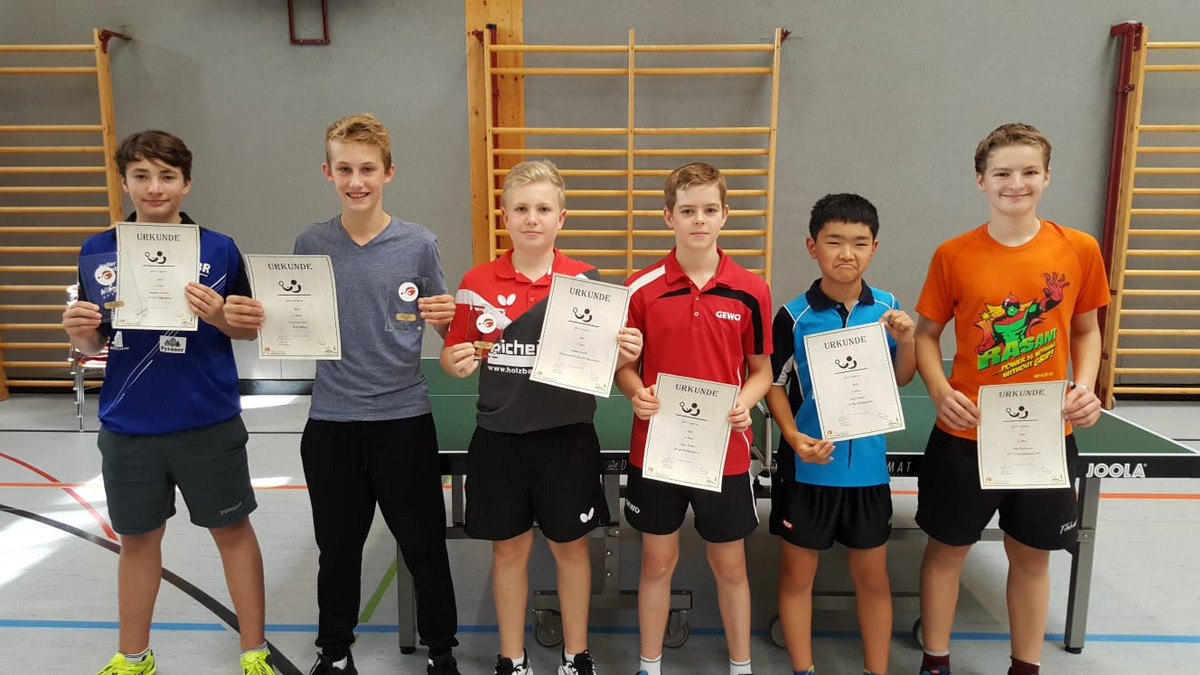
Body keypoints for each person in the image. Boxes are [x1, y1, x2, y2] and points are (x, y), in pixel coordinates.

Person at [224, 113, 460, 675]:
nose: (357, 181)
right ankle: (334, 652)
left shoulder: (419, 243)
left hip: (404, 418)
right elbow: (294, 316)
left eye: (368, 170)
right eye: (346, 169)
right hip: (332, 422)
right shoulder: (311, 242)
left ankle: (441, 652)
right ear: (328, 172)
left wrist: (449, 318)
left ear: (388, 173)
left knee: (424, 546)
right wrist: (261, 318)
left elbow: (447, 325)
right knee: (337, 549)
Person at [62, 130, 275, 675]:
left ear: (186, 183)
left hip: (207, 419)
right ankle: (133, 656)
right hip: (129, 425)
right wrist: (80, 334)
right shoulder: (97, 250)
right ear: (124, 181)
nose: (154, 187)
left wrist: (220, 315)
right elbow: (95, 340)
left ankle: (254, 651)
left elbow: (246, 329)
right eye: (141, 175)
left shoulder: (219, 248)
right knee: (136, 541)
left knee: (232, 533)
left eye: (166, 176)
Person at [912, 123, 1109, 675]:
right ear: (981, 180)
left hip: (1044, 437)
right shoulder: (953, 254)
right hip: (965, 435)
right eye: (1002, 173)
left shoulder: (1079, 249)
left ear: (1047, 177)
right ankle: (935, 662)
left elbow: (1086, 330)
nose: (1015, 183)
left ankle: (1025, 666)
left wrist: (1085, 385)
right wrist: (939, 390)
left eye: (1028, 172)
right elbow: (926, 336)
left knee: (1031, 556)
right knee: (946, 551)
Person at [441, 159, 642, 675]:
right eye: (522, 209)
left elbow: (608, 361)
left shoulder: (586, 282)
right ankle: (512, 659)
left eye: (544, 209)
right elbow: (455, 351)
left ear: (561, 217)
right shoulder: (476, 281)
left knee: (571, 552)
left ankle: (576, 657)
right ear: (505, 215)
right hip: (500, 438)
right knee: (508, 554)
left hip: (566, 439)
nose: (532, 218)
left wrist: (626, 351)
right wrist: (454, 361)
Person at [617, 162, 773, 675]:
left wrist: (745, 402)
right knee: (656, 562)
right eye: (687, 211)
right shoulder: (639, 288)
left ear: (725, 214)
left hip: (723, 453)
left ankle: (741, 668)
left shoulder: (751, 289)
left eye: (709, 209)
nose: (699, 220)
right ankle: (649, 665)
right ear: (669, 217)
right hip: (656, 449)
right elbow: (624, 367)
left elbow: (761, 371)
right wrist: (636, 392)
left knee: (729, 564)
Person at [765, 193, 916, 675]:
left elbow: (902, 378)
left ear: (874, 247)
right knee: (797, 576)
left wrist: (908, 339)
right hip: (810, 469)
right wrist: (792, 437)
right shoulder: (792, 316)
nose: (846, 253)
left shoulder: (889, 309)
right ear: (813, 246)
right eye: (834, 241)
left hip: (867, 471)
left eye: (858, 243)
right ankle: (803, 670)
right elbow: (772, 384)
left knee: (873, 578)